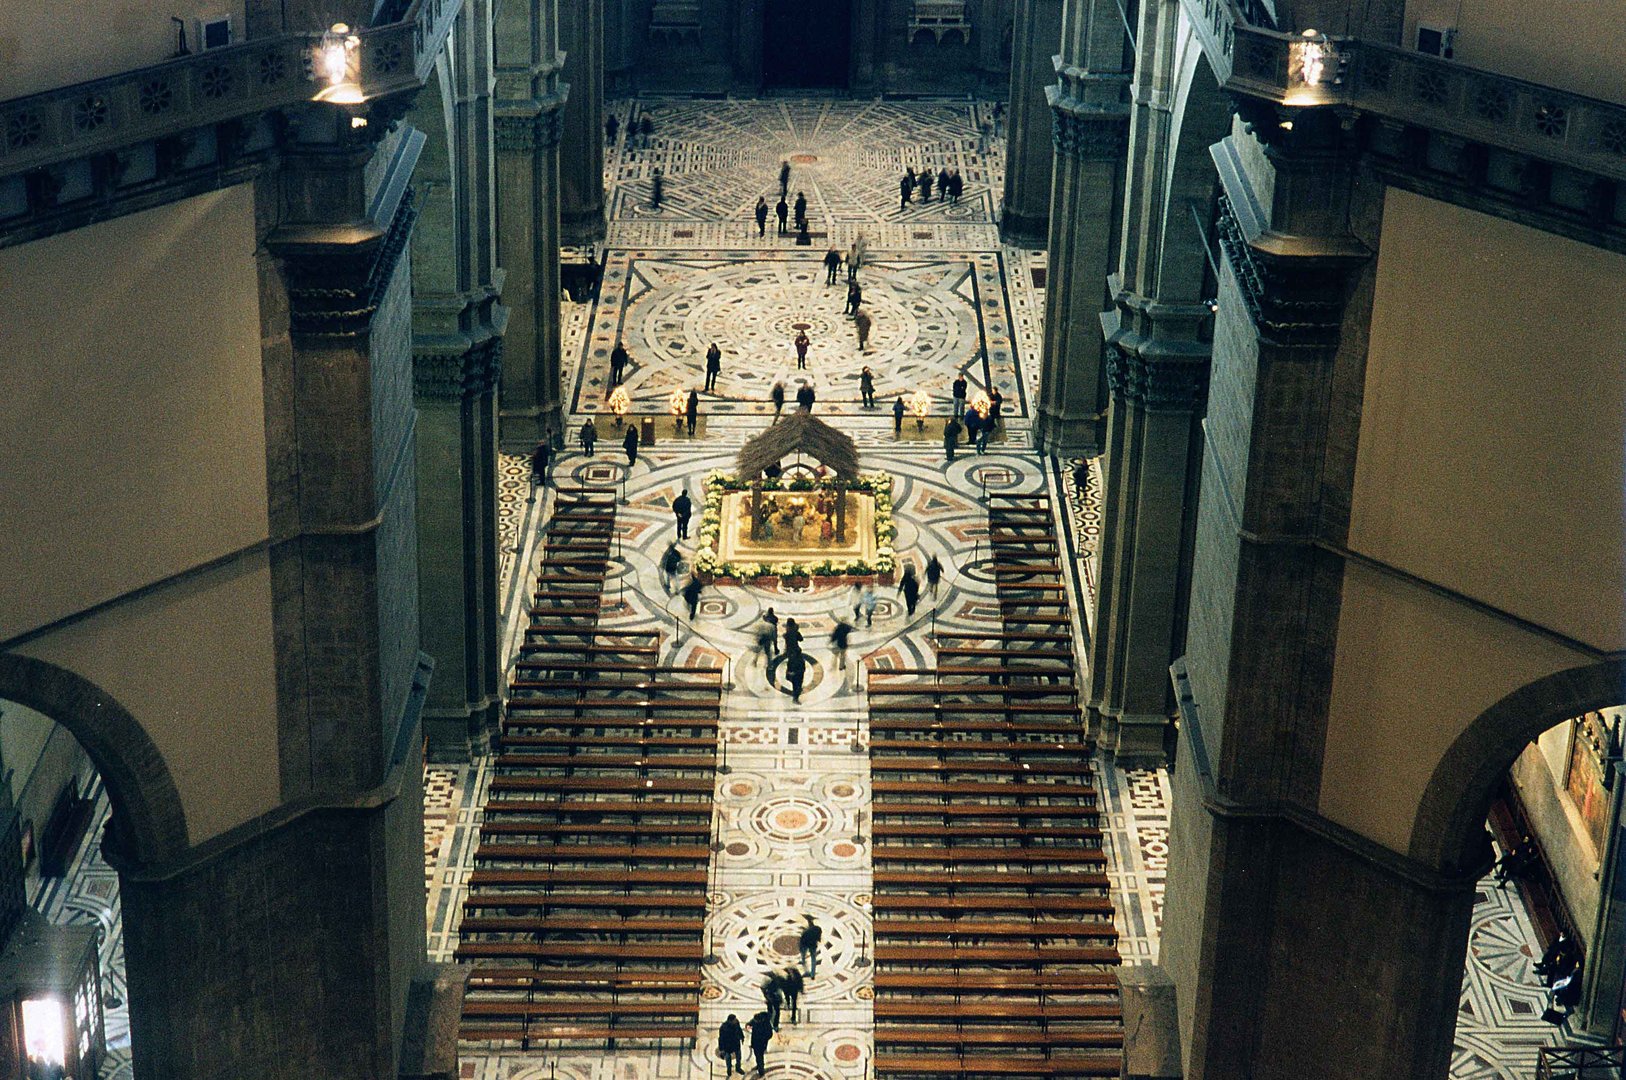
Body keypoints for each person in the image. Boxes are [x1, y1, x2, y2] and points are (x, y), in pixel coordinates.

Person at [747, 1011, 773, 1076]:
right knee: (758, 1056)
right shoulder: (755, 1021)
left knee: (759, 1056)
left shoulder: (766, 1024)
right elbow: (750, 1023)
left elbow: (770, 1034)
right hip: (756, 1042)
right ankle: (759, 1065)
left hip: (761, 1043)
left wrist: (764, 1039)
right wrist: (748, 1025)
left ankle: (761, 1070)